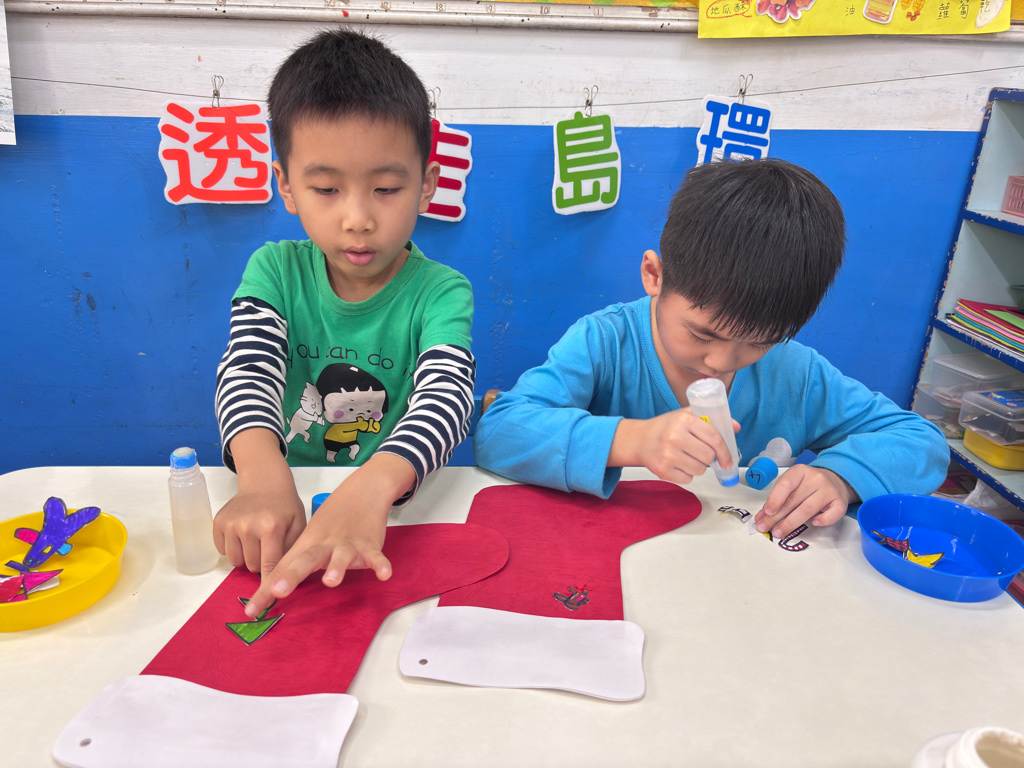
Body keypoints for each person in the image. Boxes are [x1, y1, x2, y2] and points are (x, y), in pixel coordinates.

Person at [474, 158, 948, 540]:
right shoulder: (605, 342)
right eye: (702, 335)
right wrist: (632, 441)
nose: (721, 363)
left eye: (758, 341)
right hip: (609, 559)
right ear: (654, 276)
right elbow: (498, 432)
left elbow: (921, 441)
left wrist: (842, 477)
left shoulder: (796, 373)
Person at [214, 29, 475, 617]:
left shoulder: (441, 292)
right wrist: (261, 480)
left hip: (391, 509)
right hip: (286, 503)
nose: (358, 218)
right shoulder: (275, 271)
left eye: (386, 188)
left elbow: (448, 397)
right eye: (326, 188)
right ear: (286, 186)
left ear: (427, 184)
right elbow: (248, 371)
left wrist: (372, 488)